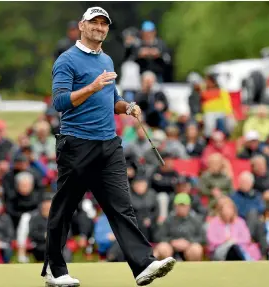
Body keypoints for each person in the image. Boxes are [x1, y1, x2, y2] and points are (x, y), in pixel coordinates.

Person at [43, 7, 175, 287]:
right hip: (77, 144)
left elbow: (111, 98)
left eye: (104, 24)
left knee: (121, 207)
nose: (99, 28)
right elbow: (60, 102)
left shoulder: (106, 59)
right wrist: (91, 87)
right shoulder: (67, 60)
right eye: (94, 23)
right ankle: (55, 270)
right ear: (82, 25)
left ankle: (143, 265)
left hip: (109, 145)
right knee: (65, 208)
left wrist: (127, 107)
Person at [153, 193, 204, 262]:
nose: (181, 208)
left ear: (189, 206)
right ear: (175, 206)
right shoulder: (169, 219)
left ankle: (192, 270)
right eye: (179, 206)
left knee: (196, 249)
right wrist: (171, 241)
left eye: (184, 206)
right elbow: (159, 236)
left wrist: (189, 241)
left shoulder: (195, 220)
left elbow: (202, 238)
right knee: (163, 248)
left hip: (189, 248)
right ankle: (165, 269)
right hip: (171, 248)